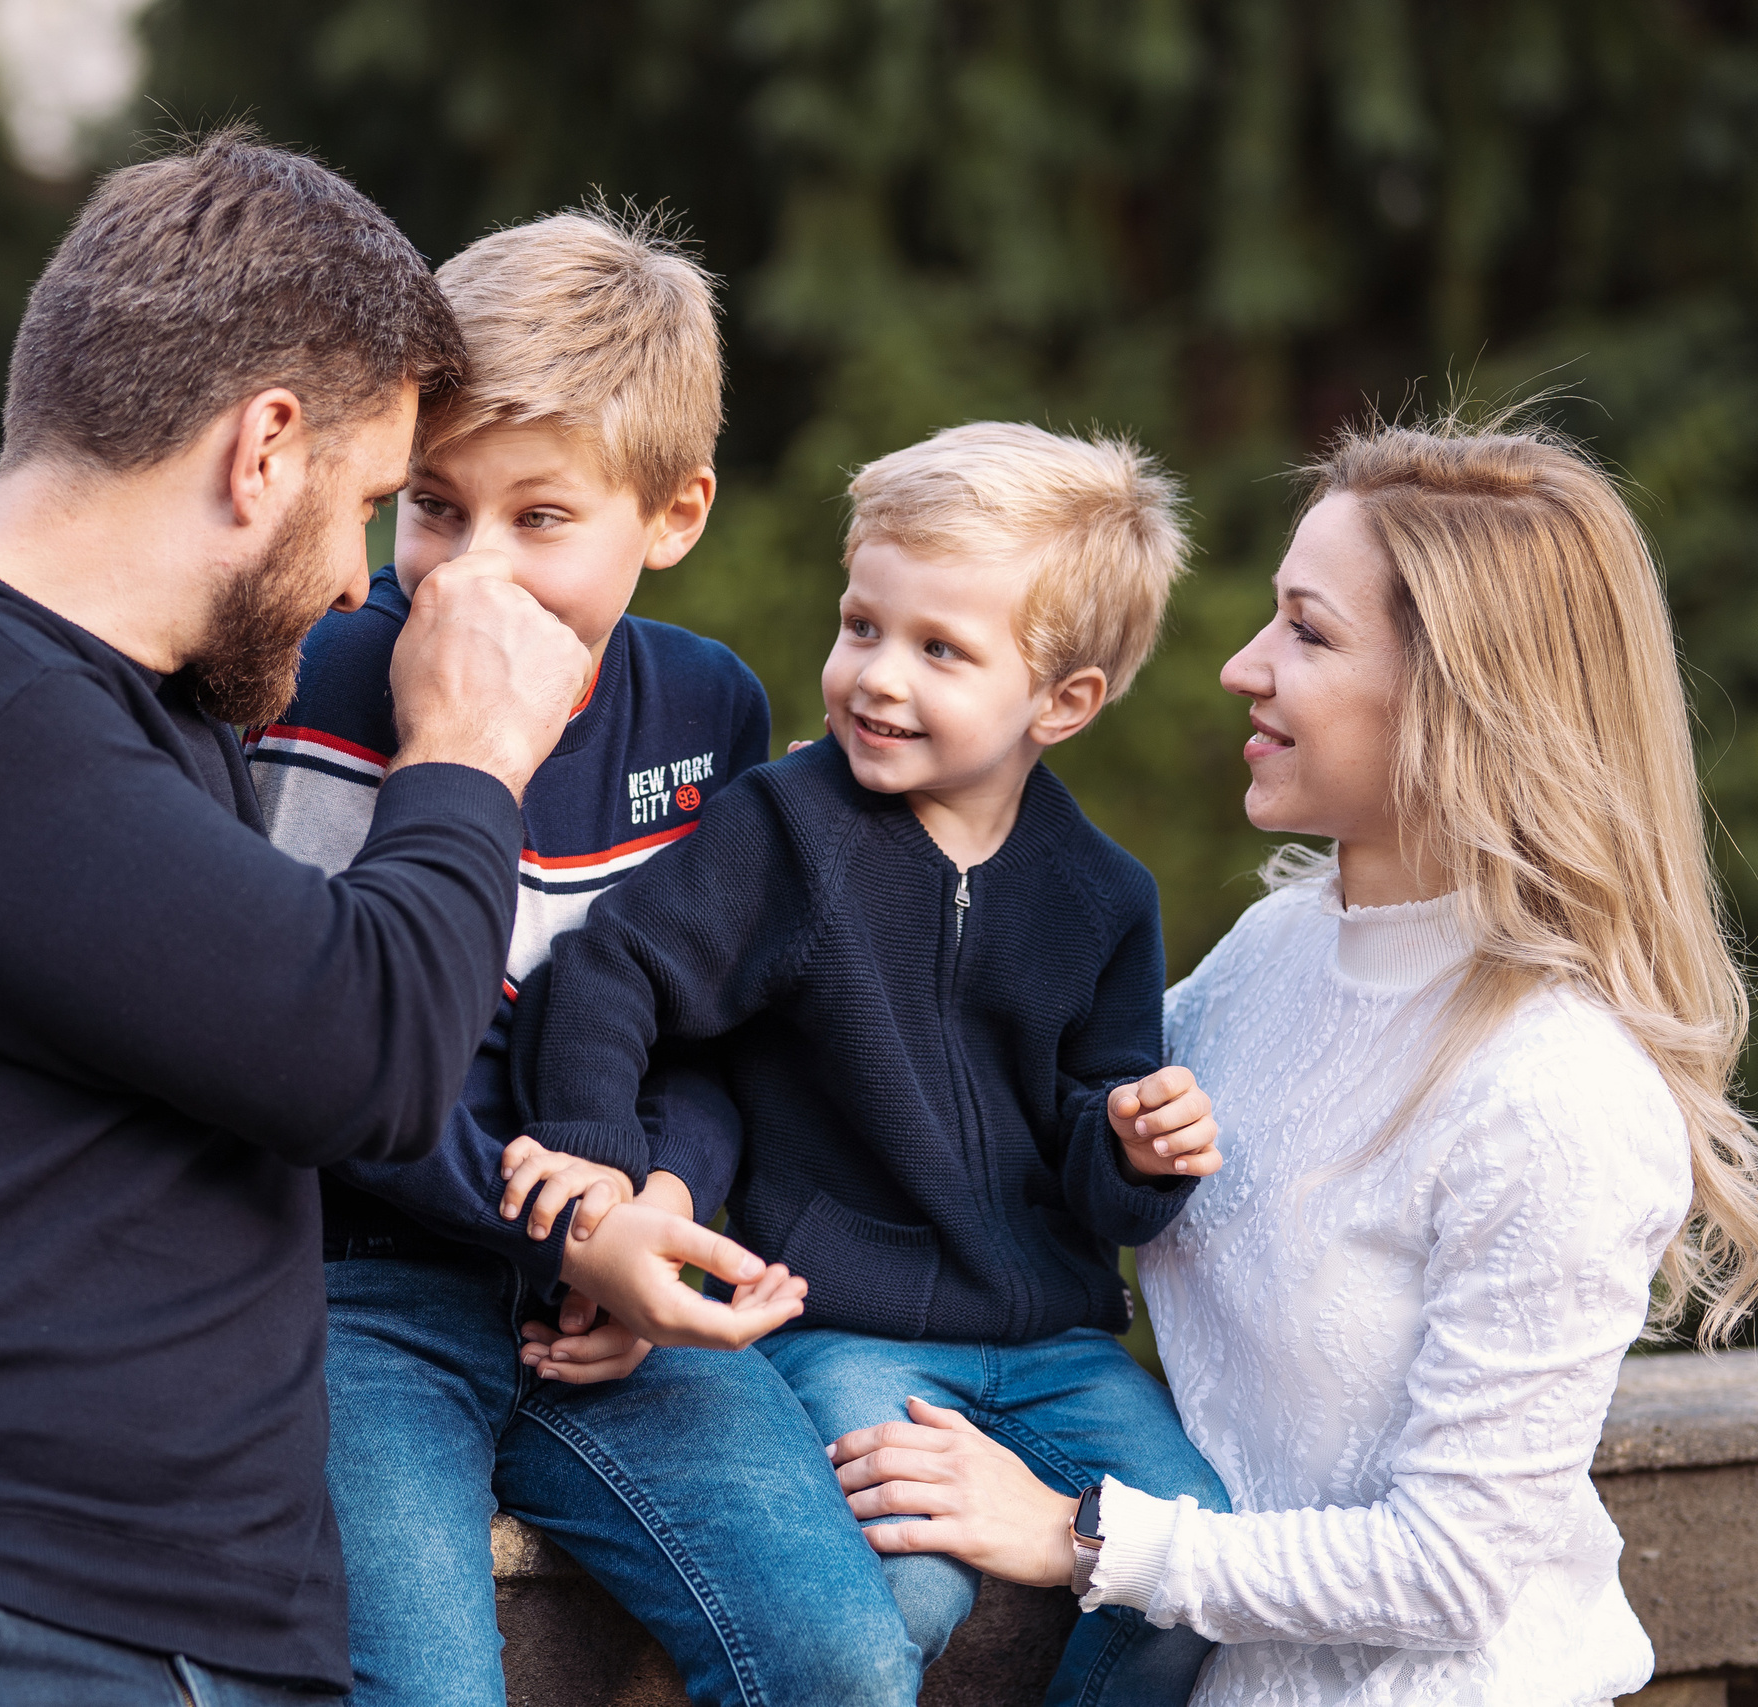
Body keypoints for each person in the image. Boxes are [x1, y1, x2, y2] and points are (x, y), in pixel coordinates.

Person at [0, 131, 595, 1706]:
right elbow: (368, 1047)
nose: (367, 584)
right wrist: (471, 748)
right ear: (262, 447)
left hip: (155, 1633)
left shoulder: (140, 725)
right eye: (369, 502)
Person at [826, 417, 1758, 1705]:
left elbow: (1452, 1571)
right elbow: (1012, 1127)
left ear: (1461, 696)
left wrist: (1077, 1536)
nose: (1241, 666)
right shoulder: (1275, 953)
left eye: (1308, 633)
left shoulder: (1558, 1090)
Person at [245, 205, 920, 1707]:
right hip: (353, 1291)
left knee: (842, 1658)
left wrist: (660, 1199)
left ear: (673, 516)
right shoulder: (317, 681)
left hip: (611, 1296)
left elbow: (718, 1029)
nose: (470, 572)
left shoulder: (706, 709)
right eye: (434, 507)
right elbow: (294, 1044)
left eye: (540, 518)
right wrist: (559, 1227)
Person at [512, 421, 1234, 1706]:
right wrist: (602, 1175)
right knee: (908, 1589)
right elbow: (608, 975)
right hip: (845, 1332)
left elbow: (1101, 1172)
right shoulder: (789, 834)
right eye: (861, 626)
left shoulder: (1100, 898)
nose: (875, 677)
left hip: (1058, 1348)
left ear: (1062, 702)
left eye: (939, 650)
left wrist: (1134, 1152)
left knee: (1189, 1558)